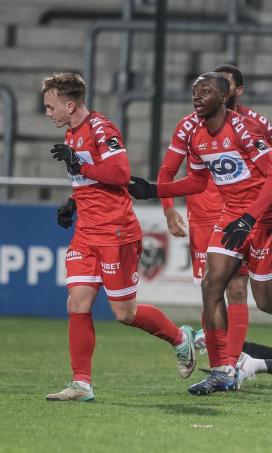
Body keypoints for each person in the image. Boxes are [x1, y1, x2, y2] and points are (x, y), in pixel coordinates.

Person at [127, 72, 272, 395]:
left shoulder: (245, 129)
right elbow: (197, 182)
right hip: (232, 214)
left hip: (267, 218)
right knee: (212, 284)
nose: (196, 97)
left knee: (265, 299)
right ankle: (223, 370)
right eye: (194, 91)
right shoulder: (195, 134)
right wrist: (155, 190)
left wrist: (253, 218)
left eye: (204, 92)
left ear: (223, 97)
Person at [41, 72, 196, 402]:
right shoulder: (71, 133)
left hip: (116, 232)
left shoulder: (101, 129)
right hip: (86, 232)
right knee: (77, 303)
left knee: (125, 314)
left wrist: (79, 167)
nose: (47, 113)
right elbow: (89, 183)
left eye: (50, 106)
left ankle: (179, 338)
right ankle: (81, 384)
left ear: (70, 105)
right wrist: (72, 202)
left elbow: (121, 174)